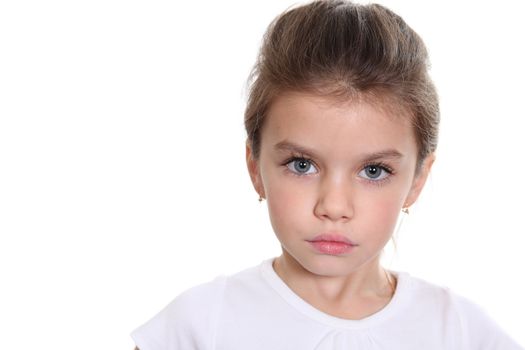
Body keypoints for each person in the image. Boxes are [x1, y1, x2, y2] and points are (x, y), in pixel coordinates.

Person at [131, 0, 523, 348]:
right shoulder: (197, 327)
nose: (333, 206)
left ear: (417, 180)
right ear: (255, 166)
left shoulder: (461, 333)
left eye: (373, 170)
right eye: (302, 165)